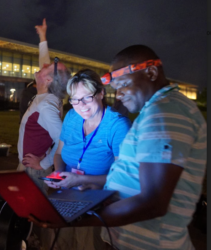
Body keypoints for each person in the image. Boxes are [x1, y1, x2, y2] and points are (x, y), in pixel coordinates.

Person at [30, 45, 207, 250]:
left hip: (151, 242)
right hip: (131, 238)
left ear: (151, 72)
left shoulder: (164, 113)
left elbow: (153, 202)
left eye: (123, 84)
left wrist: (76, 218)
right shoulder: (158, 110)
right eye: (116, 87)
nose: (119, 94)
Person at [40, 69, 131, 250]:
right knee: (59, 243)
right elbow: (59, 153)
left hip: (97, 203)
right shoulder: (72, 117)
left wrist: (83, 179)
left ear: (101, 93)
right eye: (74, 99)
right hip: (66, 196)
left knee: (87, 244)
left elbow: (124, 176)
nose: (81, 105)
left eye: (87, 97)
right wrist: (59, 173)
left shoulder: (117, 125)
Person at [17, 18, 71, 193]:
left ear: (47, 80)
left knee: (34, 215)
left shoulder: (46, 106)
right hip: (28, 166)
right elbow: (44, 62)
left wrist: (44, 162)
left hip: (33, 170)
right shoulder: (48, 95)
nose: (45, 65)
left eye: (49, 68)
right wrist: (42, 37)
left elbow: (64, 139)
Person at [19, 18, 51, 122]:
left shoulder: (51, 95)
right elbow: (44, 59)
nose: (44, 67)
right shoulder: (28, 92)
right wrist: (42, 36)